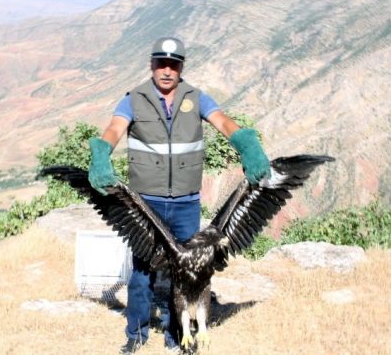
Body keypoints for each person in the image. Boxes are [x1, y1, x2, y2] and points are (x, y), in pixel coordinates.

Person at [88, 37, 270, 353]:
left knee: (188, 276)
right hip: (148, 203)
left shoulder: (196, 98)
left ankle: (177, 336)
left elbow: (224, 122)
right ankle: (137, 334)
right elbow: (115, 129)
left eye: (174, 64)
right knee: (143, 273)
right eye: (161, 64)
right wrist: (102, 152)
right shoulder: (134, 99)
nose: (167, 71)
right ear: (152, 65)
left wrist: (246, 143)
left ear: (181, 67)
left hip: (186, 202)